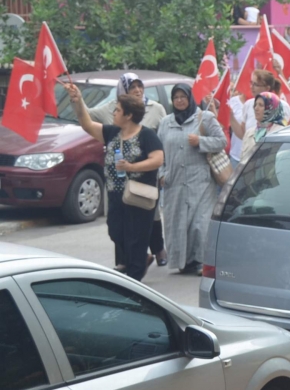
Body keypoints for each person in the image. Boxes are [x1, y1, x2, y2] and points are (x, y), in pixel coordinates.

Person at [63, 83, 164, 281]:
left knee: (137, 239)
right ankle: (140, 261)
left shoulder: (146, 135)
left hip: (138, 198)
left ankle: (135, 281)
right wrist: (78, 101)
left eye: (117, 110)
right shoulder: (111, 133)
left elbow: (158, 159)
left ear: (128, 115)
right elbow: (87, 124)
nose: (114, 113)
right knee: (116, 232)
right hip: (116, 197)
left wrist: (131, 167)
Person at [157, 84, 226, 276]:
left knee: (200, 223)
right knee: (178, 223)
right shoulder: (165, 122)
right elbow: (159, 151)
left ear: (190, 98)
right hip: (174, 182)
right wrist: (161, 173)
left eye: (183, 96)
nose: (179, 100)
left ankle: (200, 261)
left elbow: (222, 141)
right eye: (176, 97)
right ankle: (183, 261)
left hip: (200, 181)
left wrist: (201, 142)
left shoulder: (204, 117)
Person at [229, 69, 274, 166]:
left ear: (267, 88)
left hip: (267, 161)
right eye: (251, 83)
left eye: (256, 84)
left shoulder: (281, 106)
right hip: (245, 160)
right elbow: (242, 135)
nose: (251, 87)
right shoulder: (248, 104)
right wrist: (231, 116)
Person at [240, 92, 288, 163]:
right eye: (255, 104)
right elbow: (242, 161)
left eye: (261, 105)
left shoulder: (281, 133)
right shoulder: (249, 133)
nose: (256, 108)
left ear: (271, 108)